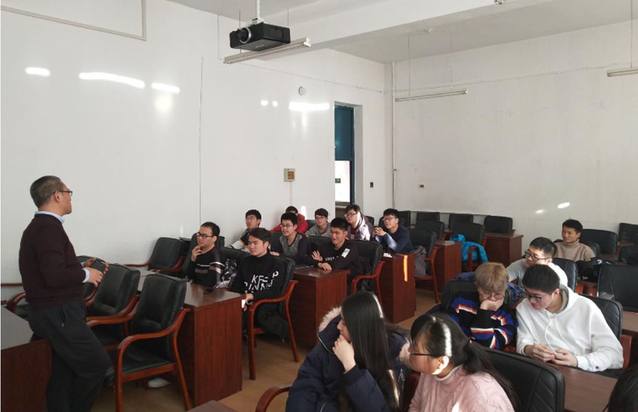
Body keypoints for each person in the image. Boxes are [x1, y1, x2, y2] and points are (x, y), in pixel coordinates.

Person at [18, 175, 111, 412]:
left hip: (50, 313)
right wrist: (86, 274)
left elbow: (51, 268)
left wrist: (78, 267)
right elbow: (54, 276)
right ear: (57, 196)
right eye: (68, 192)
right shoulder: (48, 229)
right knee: (96, 365)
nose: (71, 197)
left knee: (62, 372)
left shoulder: (42, 227)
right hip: (59, 313)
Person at [287, 291, 408, 412]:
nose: (338, 326)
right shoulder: (330, 338)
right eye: (340, 319)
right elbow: (304, 385)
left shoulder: (393, 353)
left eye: (344, 323)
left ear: (360, 330)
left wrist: (352, 368)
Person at [516, 265, 623, 372]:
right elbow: (523, 341)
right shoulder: (524, 307)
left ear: (556, 292)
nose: (531, 301)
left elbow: (614, 355)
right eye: (527, 294)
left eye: (537, 297)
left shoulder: (586, 308)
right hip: (543, 370)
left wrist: (577, 361)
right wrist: (529, 349)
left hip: (581, 371)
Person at [407, 313, 516, 412]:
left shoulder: (479, 396)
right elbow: (416, 406)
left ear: (440, 362)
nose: (409, 350)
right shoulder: (430, 370)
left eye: (415, 348)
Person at [230, 228, 290, 339]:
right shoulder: (245, 261)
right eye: (249, 243)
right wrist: (239, 300)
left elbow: (274, 291)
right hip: (245, 300)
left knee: (231, 320)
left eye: (255, 243)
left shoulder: (277, 264)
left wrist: (251, 296)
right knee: (221, 310)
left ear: (266, 244)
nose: (251, 246)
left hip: (263, 304)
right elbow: (236, 286)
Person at [446, 262, 517, 350]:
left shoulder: (506, 316)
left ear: (505, 290)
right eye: (487, 292)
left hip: (486, 356)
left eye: (498, 294)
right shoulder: (460, 301)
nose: (492, 298)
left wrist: (484, 310)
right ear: (478, 287)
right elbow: (449, 331)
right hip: (457, 350)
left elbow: (488, 346)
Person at [187, 221, 225, 286]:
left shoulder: (217, 257)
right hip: (195, 288)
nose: (199, 238)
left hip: (208, 291)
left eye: (204, 236)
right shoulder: (197, 252)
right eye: (199, 234)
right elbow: (189, 276)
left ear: (214, 238)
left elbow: (210, 283)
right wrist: (193, 260)